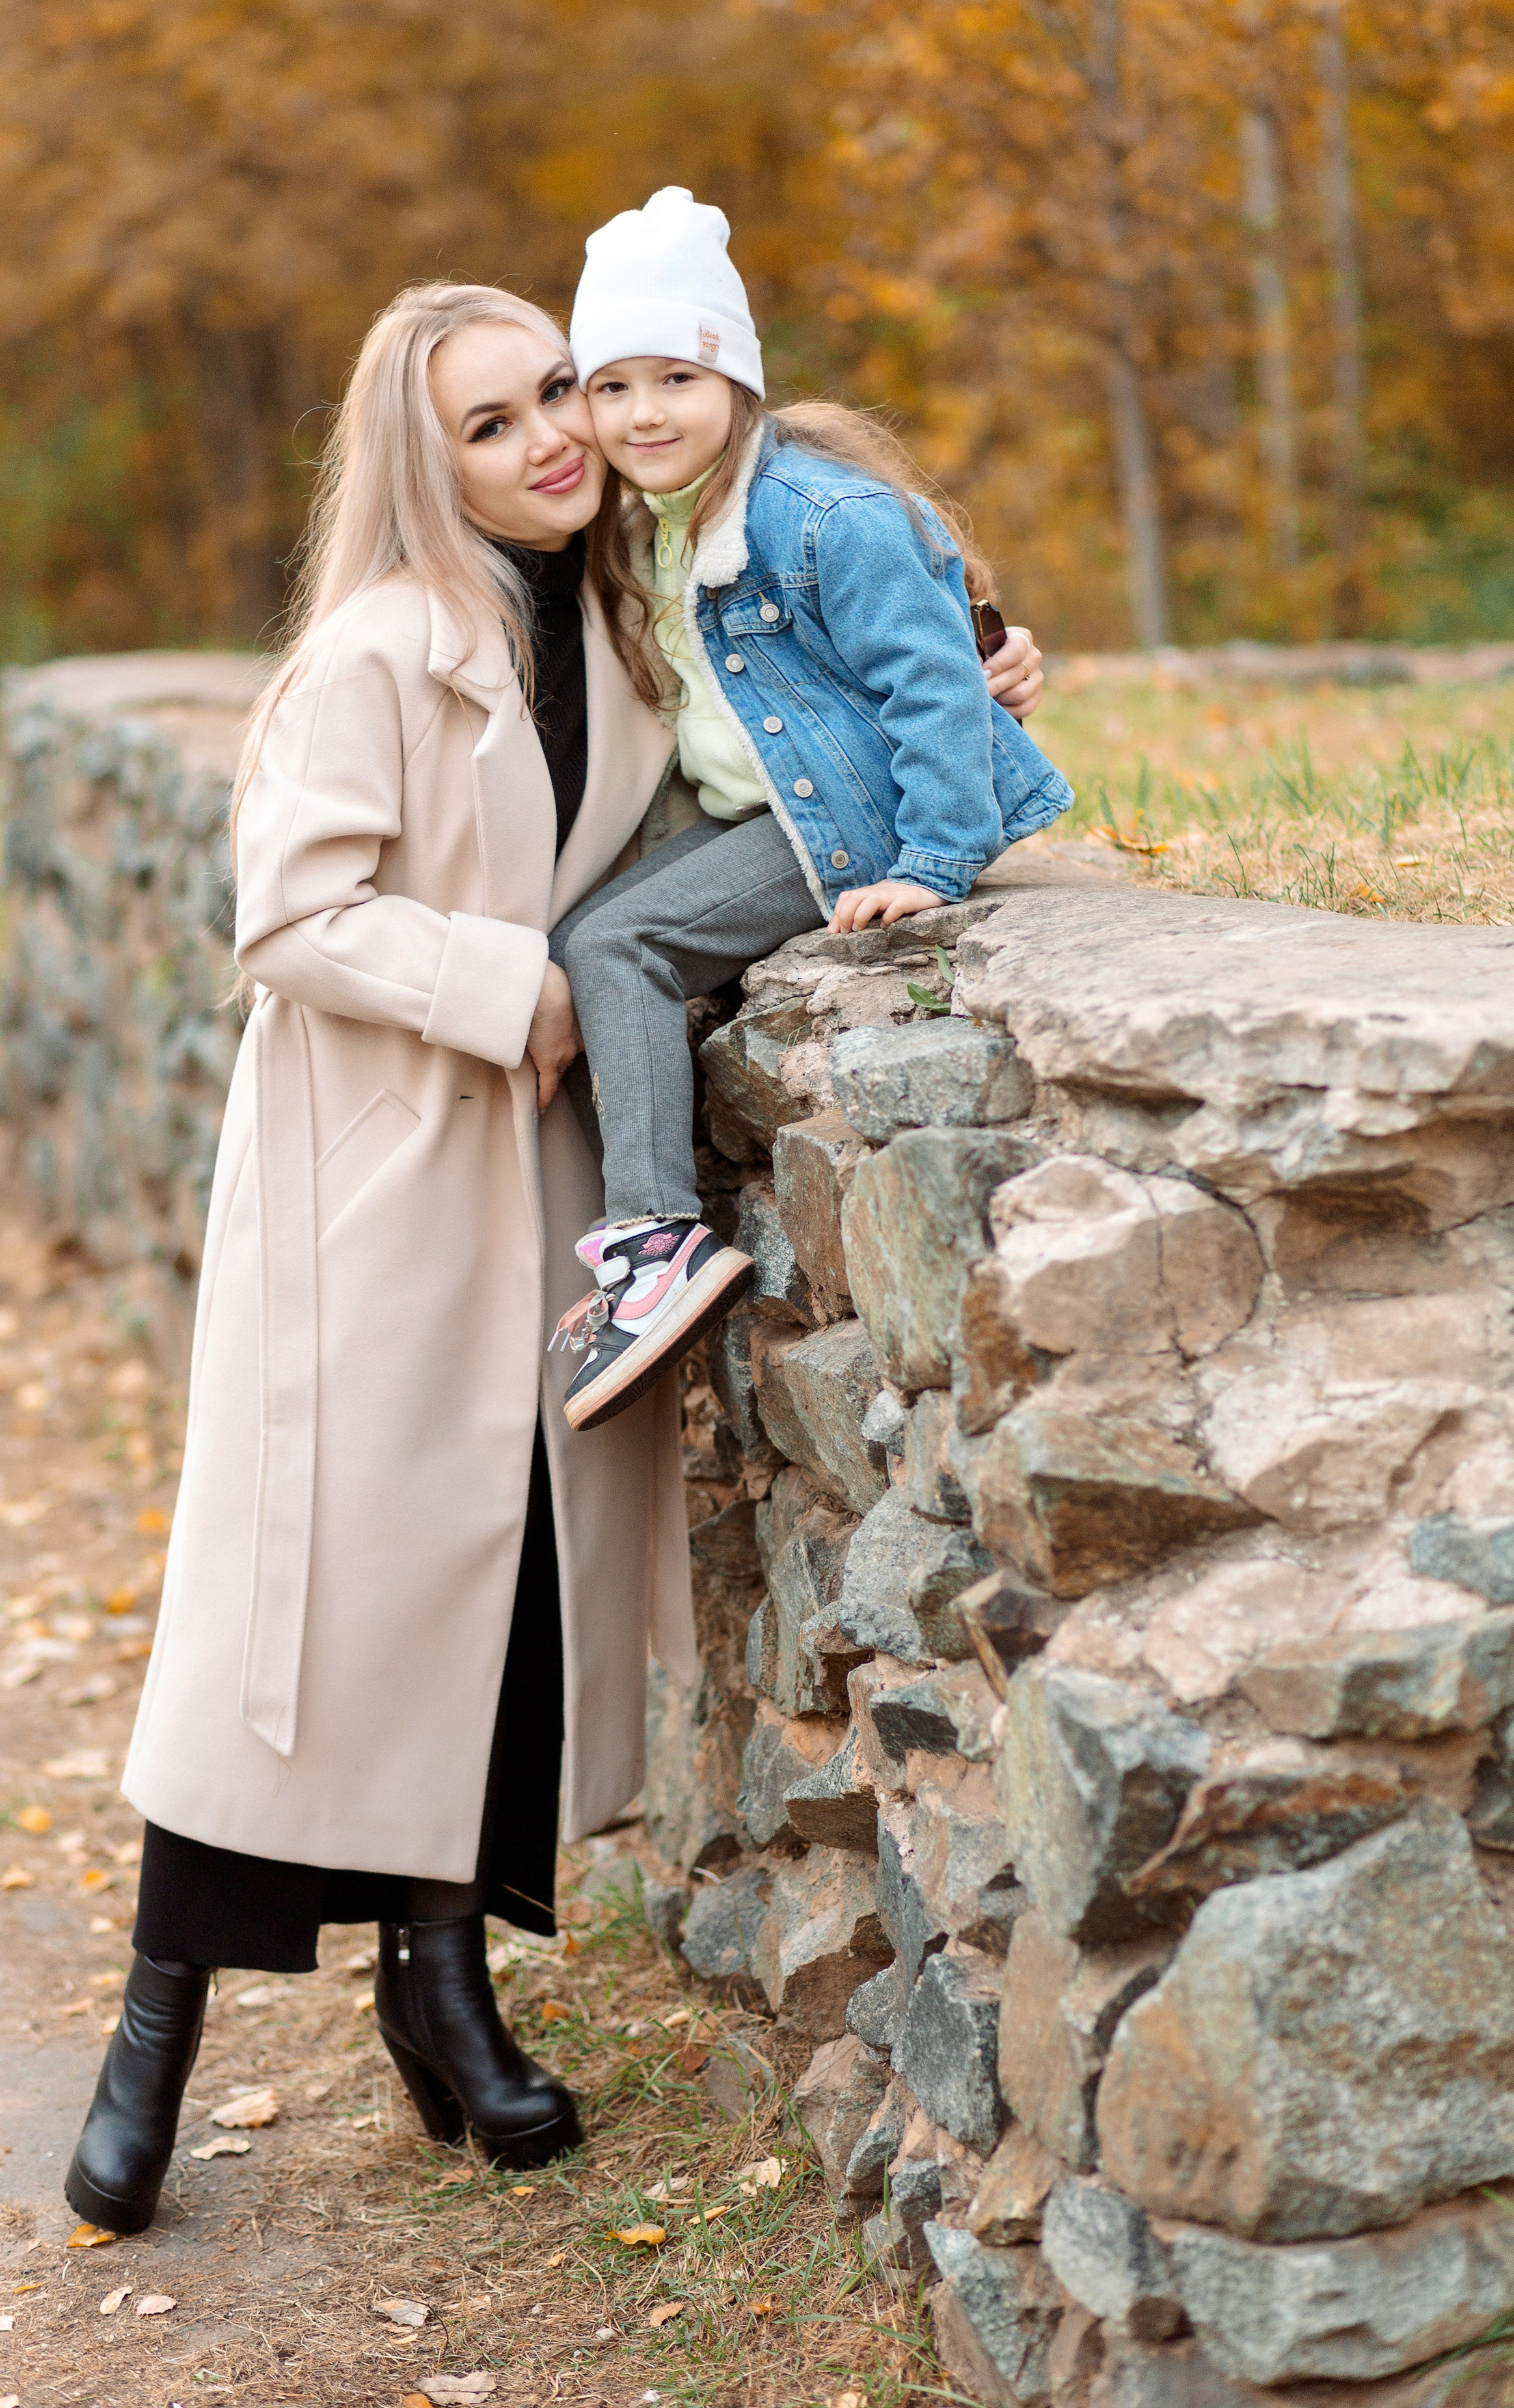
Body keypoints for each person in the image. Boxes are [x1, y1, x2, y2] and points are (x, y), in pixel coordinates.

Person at [62, 282, 697, 2234]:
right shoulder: (373, 650)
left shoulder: (627, 621)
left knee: (483, 1588)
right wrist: (515, 988)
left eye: (559, 391)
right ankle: (150, 2039)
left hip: (530, 1172)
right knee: (292, 1609)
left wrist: (974, 667)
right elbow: (289, 918)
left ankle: (443, 1985)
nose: (551, 438)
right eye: (491, 423)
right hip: (373, 1173)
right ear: (428, 465)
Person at [545, 187, 1072, 1434]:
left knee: (619, 946)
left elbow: (929, 686)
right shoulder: (653, 524)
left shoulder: (821, 514)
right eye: (612, 387)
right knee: (575, 940)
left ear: (735, 380)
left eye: (676, 379)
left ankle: (656, 1242)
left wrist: (935, 861)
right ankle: (645, 1218)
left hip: (859, 820)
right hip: (772, 816)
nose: (643, 414)